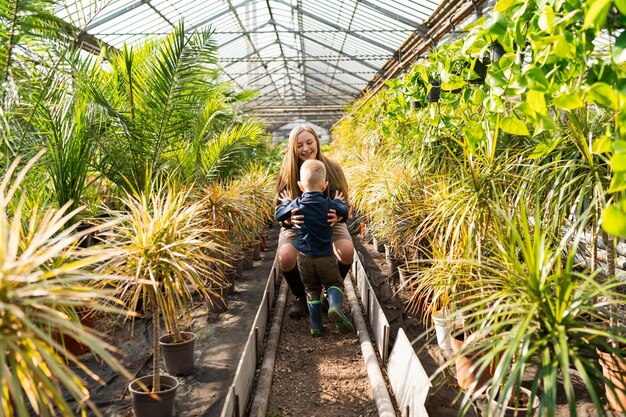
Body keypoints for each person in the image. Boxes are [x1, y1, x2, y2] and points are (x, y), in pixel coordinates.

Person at [274, 125, 355, 319]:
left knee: (346, 251)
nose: (305, 148)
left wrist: (339, 217)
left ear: (317, 143)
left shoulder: (332, 169)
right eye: (299, 145)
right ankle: (302, 297)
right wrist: (289, 219)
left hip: (330, 223)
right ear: (293, 148)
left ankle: (331, 292)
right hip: (297, 226)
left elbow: (346, 204)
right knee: (285, 257)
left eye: (309, 142)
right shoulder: (287, 173)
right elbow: (278, 207)